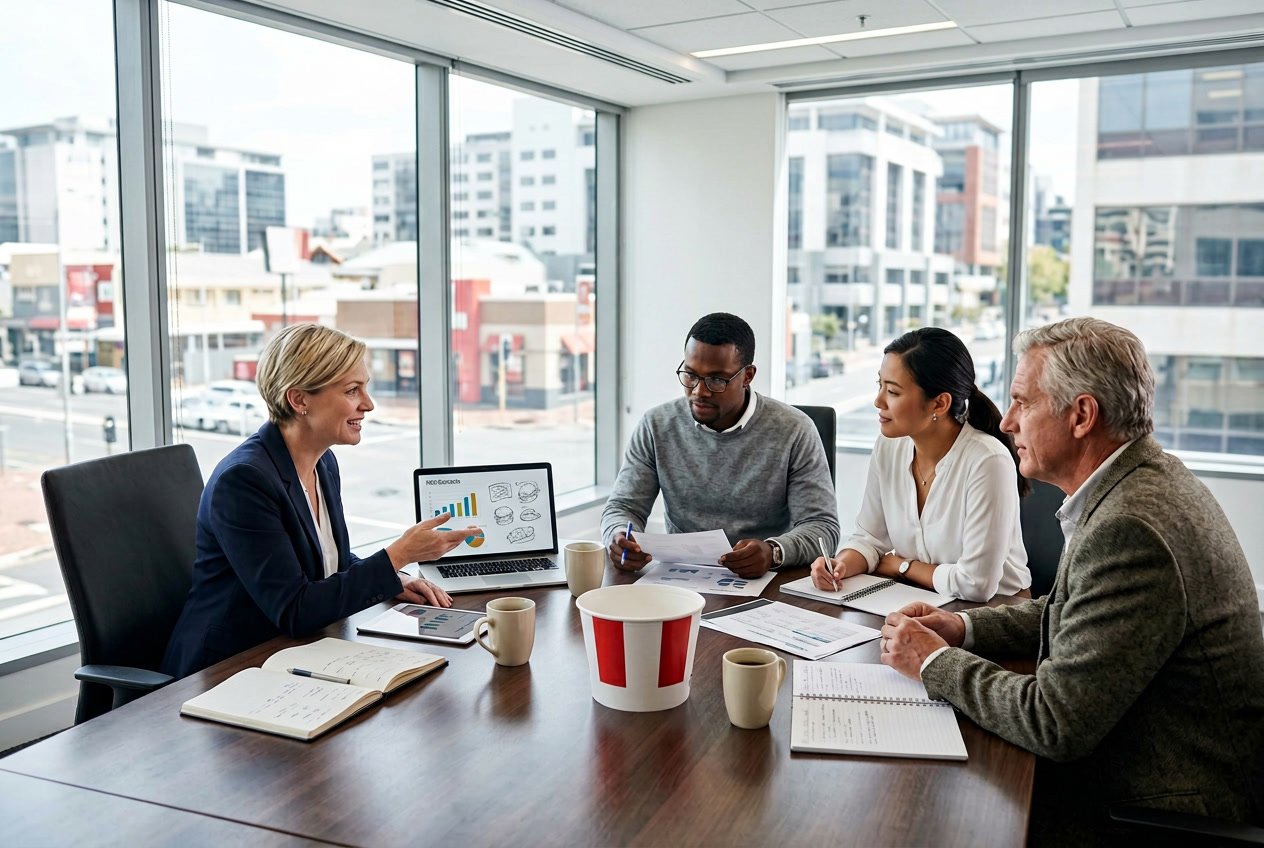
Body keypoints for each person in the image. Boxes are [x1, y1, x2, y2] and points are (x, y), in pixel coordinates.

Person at [879, 317, 1264, 844]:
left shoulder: (1130, 526)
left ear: (1082, 415)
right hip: (1137, 758)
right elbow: (1068, 608)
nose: (1008, 420)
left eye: (1023, 402)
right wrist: (961, 628)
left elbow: (1054, 722)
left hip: (1157, 801)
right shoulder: (1137, 483)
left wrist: (931, 660)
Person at [162, 324, 478, 678]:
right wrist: (398, 555)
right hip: (227, 669)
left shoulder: (322, 461)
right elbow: (296, 610)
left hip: (293, 652)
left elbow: (329, 561)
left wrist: (394, 576)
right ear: (299, 400)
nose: (368, 404)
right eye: (352, 390)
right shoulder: (243, 481)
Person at [601, 312, 839, 578]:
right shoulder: (656, 425)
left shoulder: (795, 429)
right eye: (690, 375)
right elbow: (623, 507)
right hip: (682, 580)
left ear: (747, 375)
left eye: (716, 380)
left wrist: (773, 552)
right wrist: (618, 535)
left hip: (766, 582)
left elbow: (823, 528)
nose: (699, 391)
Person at [809, 327, 1030, 602]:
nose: (878, 401)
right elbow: (870, 539)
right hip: (918, 601)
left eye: (892, 391)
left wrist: (902, 566)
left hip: (996, 612)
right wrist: (840, 564)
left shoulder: (988, 461)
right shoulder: (889, 446)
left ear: (939, 403)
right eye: (880, 385)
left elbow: (976, 584)